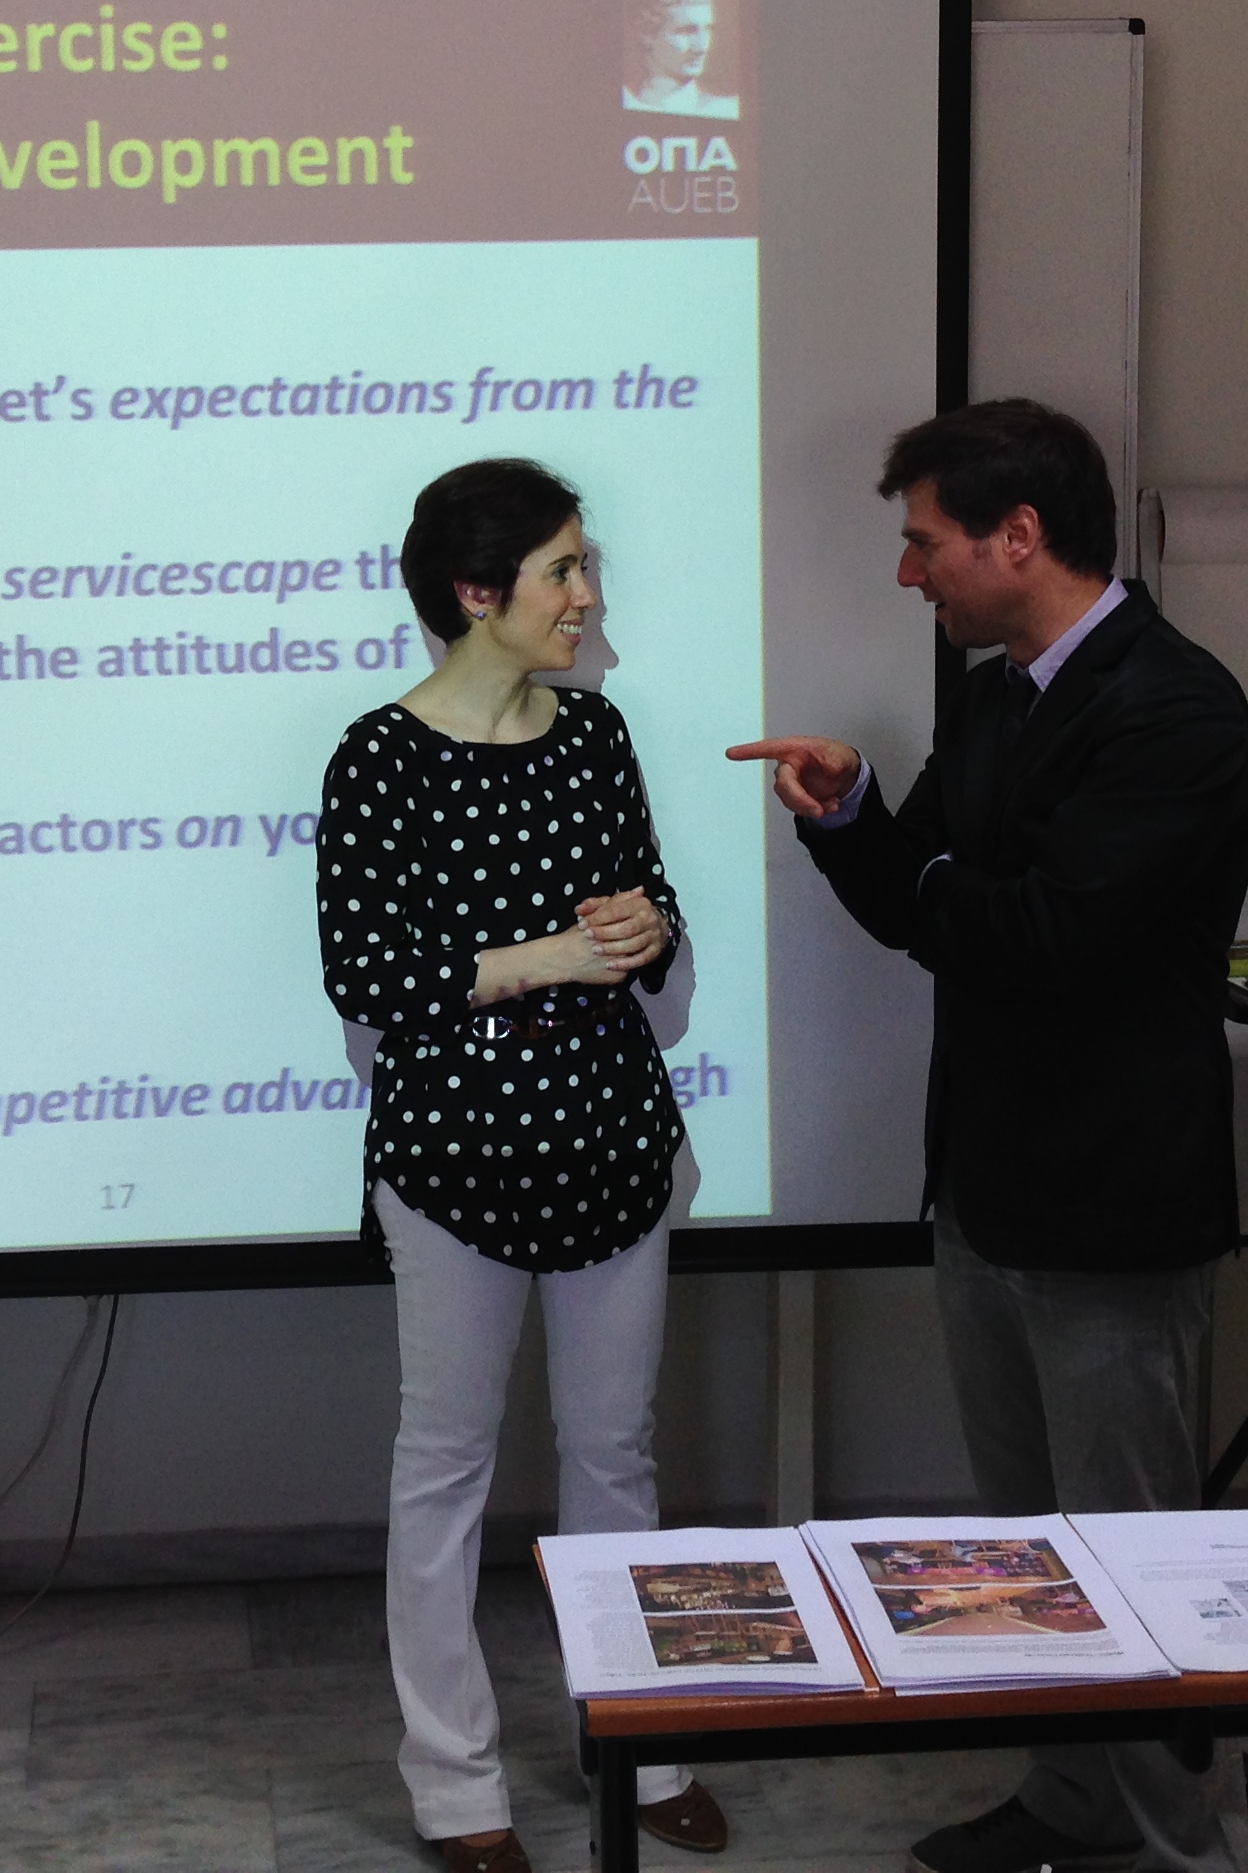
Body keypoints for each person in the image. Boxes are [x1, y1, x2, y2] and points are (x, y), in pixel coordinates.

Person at [729, 400, 1248, 1873]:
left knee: (1133, 1554)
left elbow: (1049, 937)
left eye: (926, 542)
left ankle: (1177, 1849)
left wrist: (943, 888)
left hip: (1113, 1204)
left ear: (1018, 536)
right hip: (986, 1187)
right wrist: (853, 819)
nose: (910, 574)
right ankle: (1075, 1804)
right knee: (1033, 1548)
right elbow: (930, 903)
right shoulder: (992, 699)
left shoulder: (1176, 707)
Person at [319, 458, 731, 1873]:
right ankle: (457, 1789)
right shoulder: (380, 757)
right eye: (564, 570)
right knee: (446, 1469)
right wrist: (550, 956)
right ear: (476, 593)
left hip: (611, 1145)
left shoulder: (594, 733)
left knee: (617, 1454)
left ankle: (643, 1743)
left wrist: (648, 929)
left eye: (585, 566)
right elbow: (367, 971)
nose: (587, 596)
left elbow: (651, 901)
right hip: (453, 1166)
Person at [621, 0, 740, 119]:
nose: (702, 47)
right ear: (647, 33)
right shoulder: (625, 105)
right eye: (687, 31)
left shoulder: (728, 110)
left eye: (708, 29)